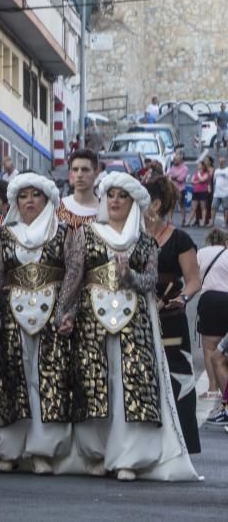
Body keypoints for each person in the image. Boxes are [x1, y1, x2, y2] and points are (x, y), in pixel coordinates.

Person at [66, 173, 198, 481]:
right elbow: (73, 278)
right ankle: (96, 453)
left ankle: (129, 457)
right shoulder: (86, 234)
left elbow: (151, 281)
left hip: (134, 323)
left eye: (121, 196)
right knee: (95, 382)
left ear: (133, 203)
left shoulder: (145, 240)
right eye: (110, 195)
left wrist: (130, 278)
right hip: (91, 321)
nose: (114, 201)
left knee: (131, 385)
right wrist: (65, 313)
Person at [0, 173, 81, 474]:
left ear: (47, 198)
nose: (28, 201)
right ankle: (10, 450)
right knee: (13, 379)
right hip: (13, 315)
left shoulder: (64, 232)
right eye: (23, 196)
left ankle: (44, 451)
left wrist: (67, 311)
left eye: (35, 195)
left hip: (51, 314)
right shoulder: (7, 235)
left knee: (48, 380)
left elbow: (75, 271)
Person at [143, 177, 202, 454]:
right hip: (139, 316)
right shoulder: (133, 236)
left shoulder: (180, 239)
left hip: (171, 318)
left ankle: (182, 445)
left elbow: (193, 280)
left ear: (154, 203)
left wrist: (182, 297)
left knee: (178, 377)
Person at [196, 229, 228, 422]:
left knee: (210, 348)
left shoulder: (202, 253)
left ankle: (213, 388)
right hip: (227, 298)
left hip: (209, 299)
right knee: (223, 351)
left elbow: (197, 278)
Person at [58, 149, 99, 228]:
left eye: (85, 170)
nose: (79, 175)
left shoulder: (105, 210)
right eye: (75, 169)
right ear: (70, 174)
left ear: (96, 174)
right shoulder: (58, 208)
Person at [166, 150, 190, 226]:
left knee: (182, 204)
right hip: (172, 188)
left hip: (180, 189)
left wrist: (173, 177)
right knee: (171, 205)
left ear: (180, 159)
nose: (174, 160)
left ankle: (183, 220)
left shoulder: (185, 168)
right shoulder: (172, 167)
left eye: (176, 159)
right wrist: (174, 177)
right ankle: (170, 220)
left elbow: (181, 179)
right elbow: (167, 175)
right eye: (174, 159)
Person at [189, 157, 214, 227]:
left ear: (210, 162)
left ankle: (206, 220)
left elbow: (207, 179)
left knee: (206, 205)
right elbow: (193, 180)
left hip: (207, 188)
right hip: (198, 189)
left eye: (207, 160)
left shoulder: (210, 170)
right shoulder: (200, 170)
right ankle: (197, 220)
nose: (205, 161)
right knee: (196, 207)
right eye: (205, 160)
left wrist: (199, 179)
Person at [211, 156, 228, 228]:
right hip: (217, 193)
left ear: (225, 162)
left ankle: (225, 222)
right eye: (220, 161)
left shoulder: (227, 170)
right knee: (213, 207)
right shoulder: (216, 171)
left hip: (225, 193)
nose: (221, 163)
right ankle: (212, 222)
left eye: (222, 161)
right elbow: (214, 180)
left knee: (226, 208)